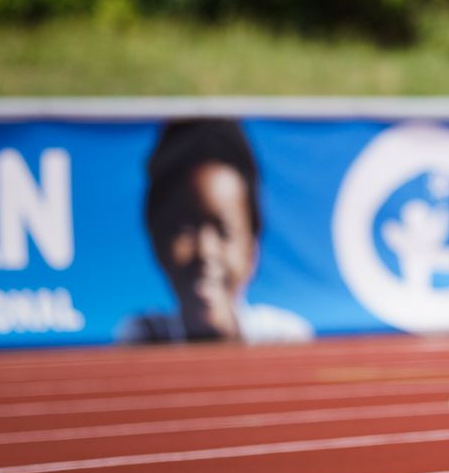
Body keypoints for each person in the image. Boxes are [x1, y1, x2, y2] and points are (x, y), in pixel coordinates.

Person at [120, 118, 313, 345]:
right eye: (185, 229)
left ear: (253, 247)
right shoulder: (142, 337)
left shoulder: (286, 337)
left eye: (225, 232)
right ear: (157, 240)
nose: (206, 251)